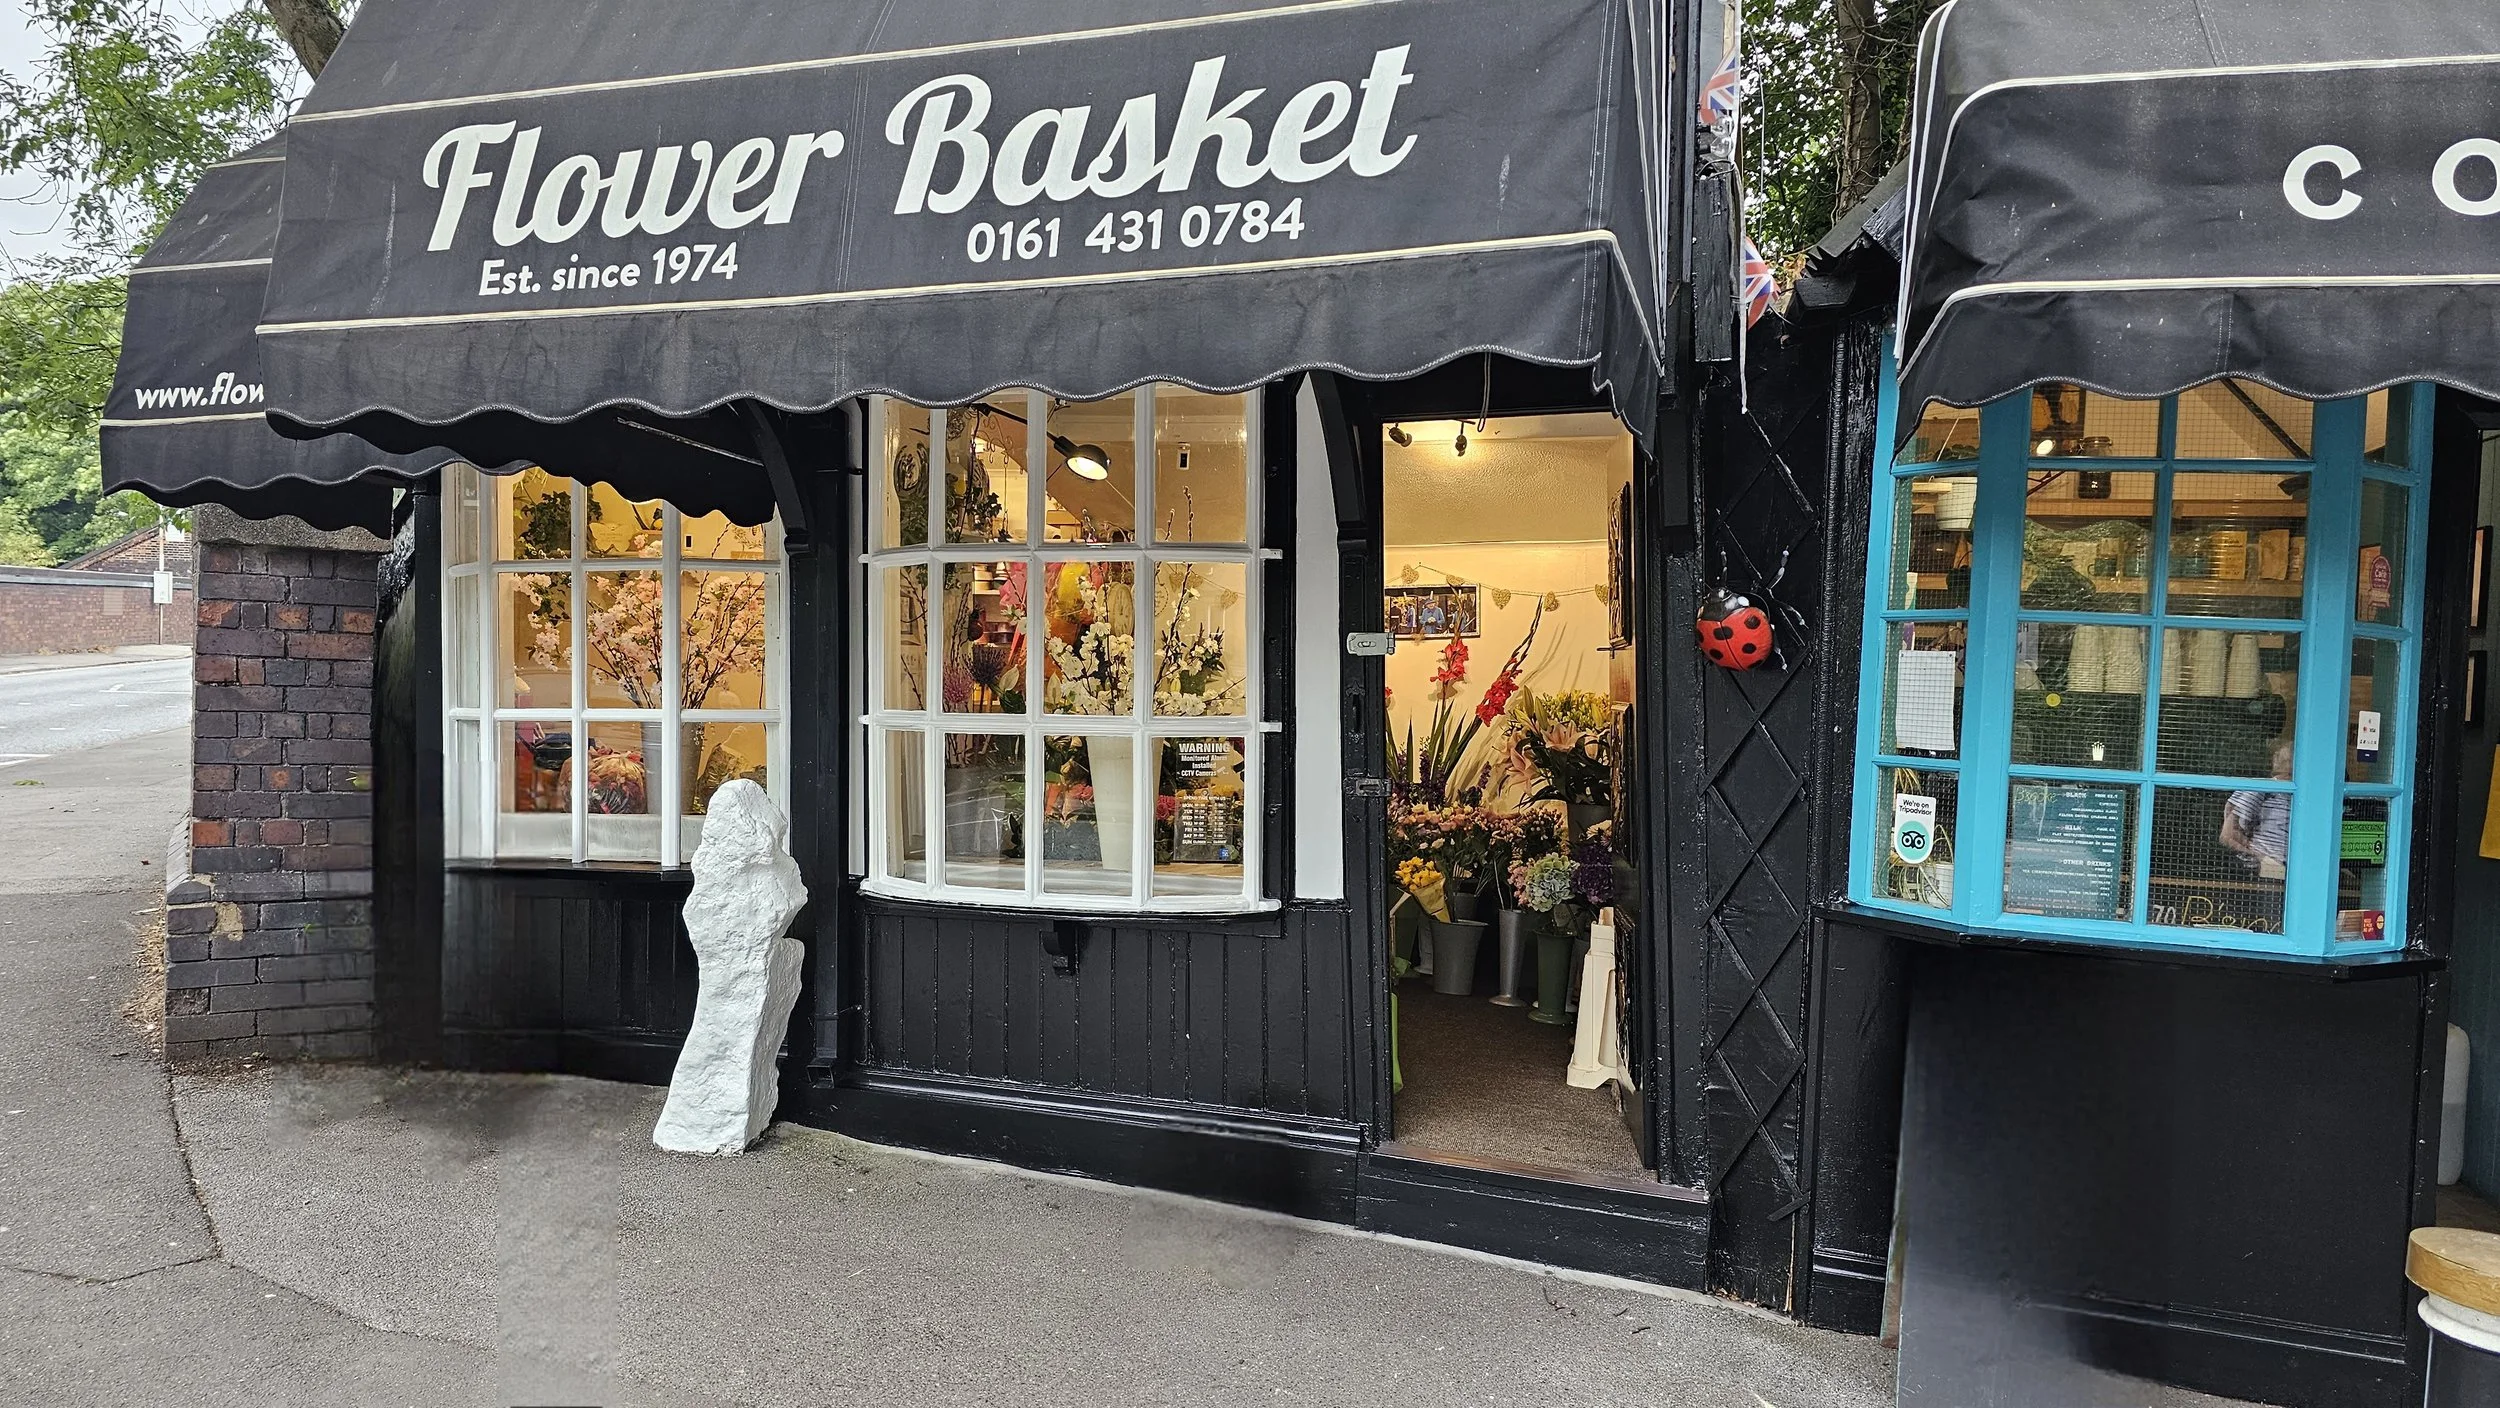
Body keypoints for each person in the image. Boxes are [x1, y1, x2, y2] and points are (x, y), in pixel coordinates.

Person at [2221, 740, 2293, 880]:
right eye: (2286, 761)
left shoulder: (2297, 797)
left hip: (2288, 871)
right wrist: (2262, 858)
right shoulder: (2263, 790)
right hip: (2264, 873)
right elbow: (2228, 835)